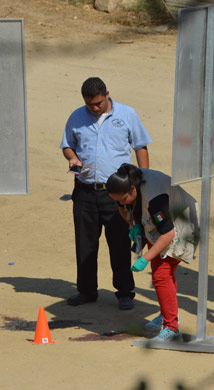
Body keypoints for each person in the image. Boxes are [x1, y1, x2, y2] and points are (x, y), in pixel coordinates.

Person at [60, 77, 151, 310]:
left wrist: (143, 182)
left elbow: (140, 146)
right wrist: (72, 157)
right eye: (90, 104)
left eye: (98, 103)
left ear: (107, 94)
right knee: (85, 245)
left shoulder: (127, 114)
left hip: (118, 195)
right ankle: (87, 291)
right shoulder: (76, 117)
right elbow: (67, 145)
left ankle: (124, 292)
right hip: (85, 192)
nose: (94, 108)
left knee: (119, 243)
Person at [106, 164, 200, 342]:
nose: (122, 203)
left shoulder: (155, 199)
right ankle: (168, 315)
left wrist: (144, 259)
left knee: (161, 274)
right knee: (163, 273)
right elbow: (124, 209)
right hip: (156, 226)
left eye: (124, 199)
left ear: (132, 189)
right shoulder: (124, 186)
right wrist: (134, 226)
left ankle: (172, 328)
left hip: (181, 222)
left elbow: (168, 234)